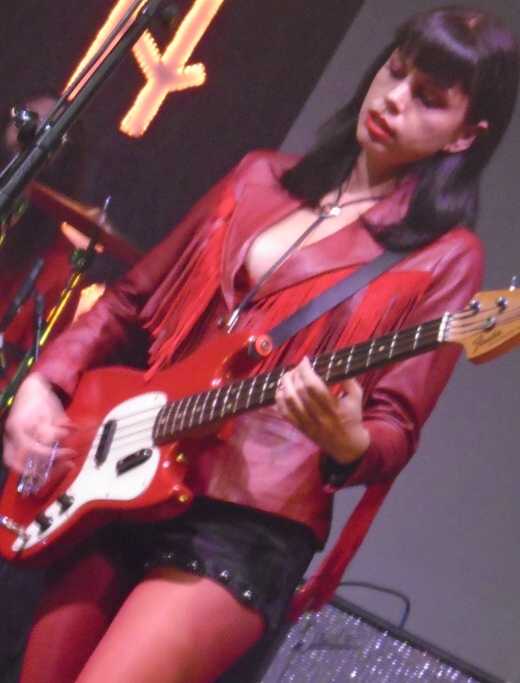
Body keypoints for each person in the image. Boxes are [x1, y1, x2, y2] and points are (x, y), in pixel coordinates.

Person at [2, 6, 519, 683]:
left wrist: (348, 441)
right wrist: (43, 383)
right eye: (396, 72)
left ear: (464, 136)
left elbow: (394, 427)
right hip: (127, 469)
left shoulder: (445, 256)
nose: (394, 99)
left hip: (248, 519)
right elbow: (129, 300)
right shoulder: (259, 177)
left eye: (428, 98)